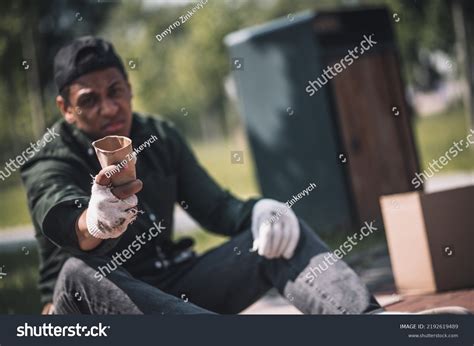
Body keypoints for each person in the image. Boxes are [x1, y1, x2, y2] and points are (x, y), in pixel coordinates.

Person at [20, 36, 382, 314]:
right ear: (66, 109)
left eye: (115, 91)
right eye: (89, 99)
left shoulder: (159, 137)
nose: (109, 107)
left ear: (129, 89)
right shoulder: (49, 160)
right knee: (76, 273)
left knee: (279, 228)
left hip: (170, 295)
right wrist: (93, 223)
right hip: (90, 307)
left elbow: (215, 208)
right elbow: (64, 218)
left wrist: (259, 209)